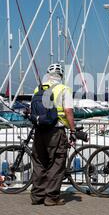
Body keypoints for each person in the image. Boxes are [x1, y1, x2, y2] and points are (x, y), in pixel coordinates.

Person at [30, 63, 76, 206]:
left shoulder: (38, 89)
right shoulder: (63, 89)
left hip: (39, 130)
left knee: (39, 162)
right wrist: (73, 130)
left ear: (48, 74)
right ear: (61, 75)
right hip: (56, 130)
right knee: (57, 163)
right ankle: (51, 197)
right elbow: (68, 111)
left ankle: (37, 196)